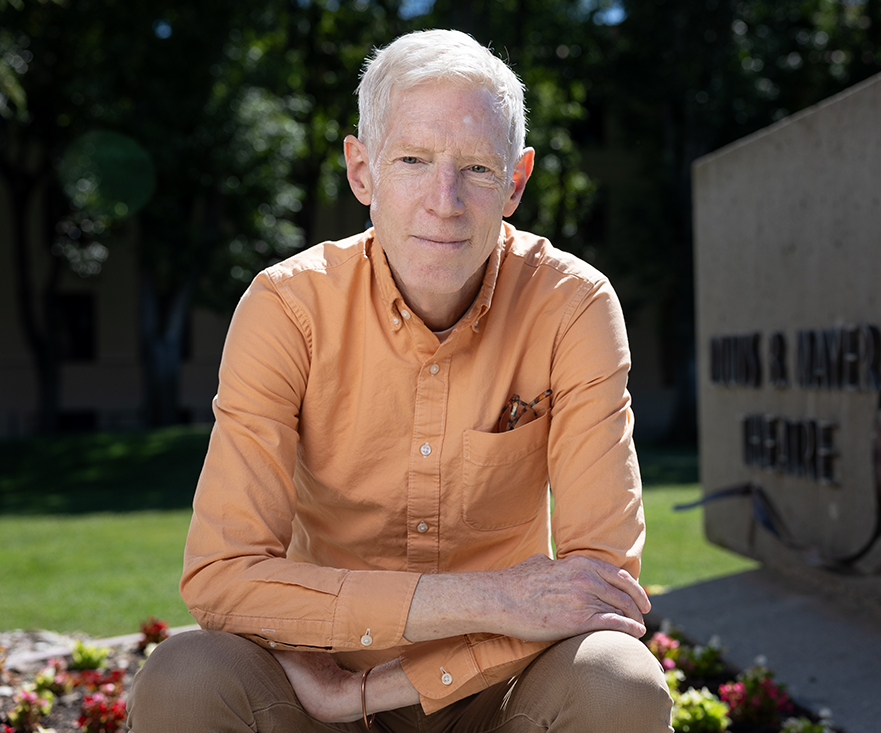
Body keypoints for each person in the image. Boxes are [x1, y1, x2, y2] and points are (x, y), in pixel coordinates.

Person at [126, 28, 673, 733]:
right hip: (311, 683)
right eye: (413, 159)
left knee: (617, 680)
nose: (443, 201)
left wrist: (378, 689)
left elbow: (603, 591)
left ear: (516, 180)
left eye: (476, 168)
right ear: (362, 171)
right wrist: (495, 598)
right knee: (185, 678)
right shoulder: (287, 308)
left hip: (500, 691)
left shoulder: (573, 305)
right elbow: (221, 577)